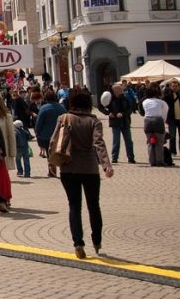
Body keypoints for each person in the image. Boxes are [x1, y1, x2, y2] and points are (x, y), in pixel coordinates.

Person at [51, 89, 114, 259]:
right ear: (88, 105)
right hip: (89, 169)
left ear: (71, 103)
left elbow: (54, 141)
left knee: (74, 206)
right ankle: (97, 240)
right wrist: (106, 165)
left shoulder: (63, 119)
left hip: (68, 167)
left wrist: (52, 163)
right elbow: (98, 143)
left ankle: (78, 243)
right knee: (93, 205)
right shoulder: (94, 122)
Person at [97, 83, 136, 164]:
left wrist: (123, 114)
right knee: (116, 141)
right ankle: (114, 157)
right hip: (115, 122)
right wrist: (108, 113)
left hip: (125, 122)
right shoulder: (110, 98)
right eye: (119, 89)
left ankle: (131, 158)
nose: (121, 90)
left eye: (121, 89)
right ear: (114, 90)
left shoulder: (125, 98)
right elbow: (100, 106)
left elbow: (130, 109)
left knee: (129, 141)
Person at [35, 92, 66, 177]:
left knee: (50, 153)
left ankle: (52, 171)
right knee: (59, 152)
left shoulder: (44, 108)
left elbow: (39, 122)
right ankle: (62, 169)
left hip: (46, 135)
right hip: (60, 134)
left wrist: (37, 132)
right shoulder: (62, 108)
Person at [140, 83, 169, 166]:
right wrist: (163, 121)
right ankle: (160, 161)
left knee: (149, 142)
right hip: (158, 121)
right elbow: (165, 113)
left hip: (147, 121)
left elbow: (144, 111)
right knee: (159, 142)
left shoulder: (145, 102)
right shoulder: (162, 102)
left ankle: (152, 161)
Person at [164, 79, 180, 156]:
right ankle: (172, 151)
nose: (174, 87)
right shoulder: (167, 97)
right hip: (172, 119)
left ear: (179, 86)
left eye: (176, 86)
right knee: (172, 136)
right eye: (173, 86)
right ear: (170, 87)